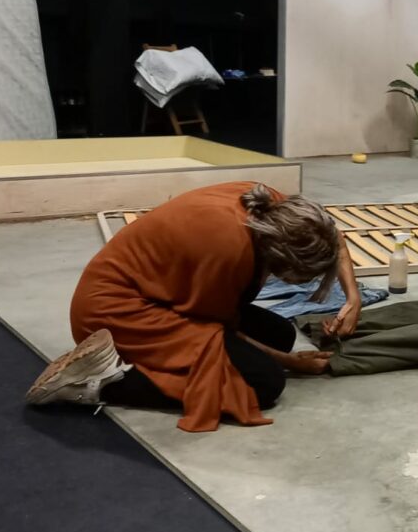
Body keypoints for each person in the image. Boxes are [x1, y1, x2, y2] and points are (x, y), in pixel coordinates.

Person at [25, 182, 361, 432]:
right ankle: (97, 382)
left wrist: (353, 298)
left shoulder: (272, 207)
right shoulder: (229, 250)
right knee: (264, 383)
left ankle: (147, 365)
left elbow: (331, 235)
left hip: (156, 293)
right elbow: (217, 327)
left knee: (281, 334)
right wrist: (288, 363)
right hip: (116, 311)